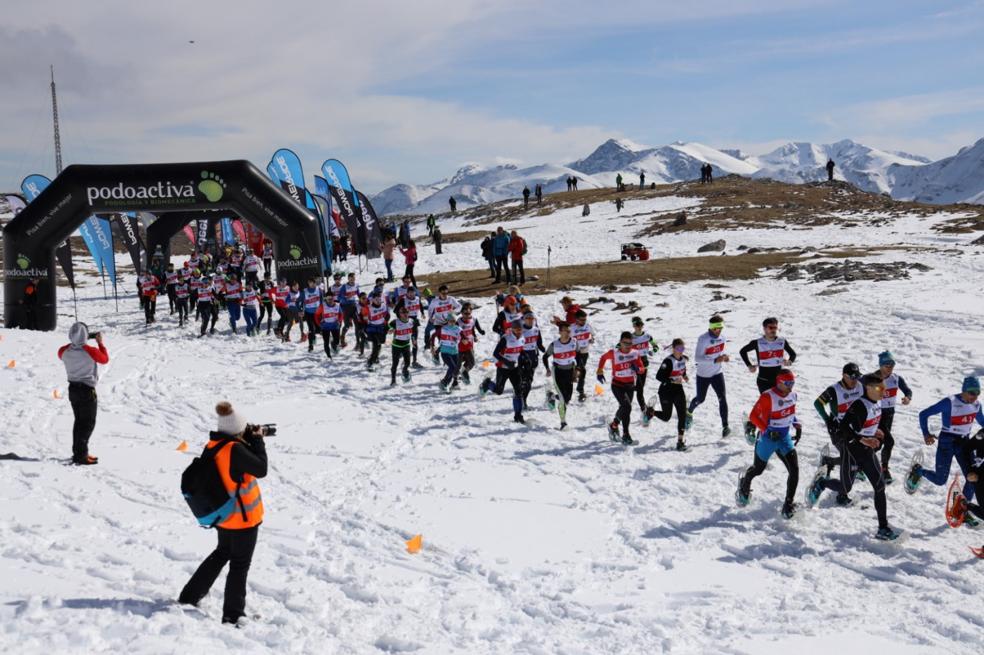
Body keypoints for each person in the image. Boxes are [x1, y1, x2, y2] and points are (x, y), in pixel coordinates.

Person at [179, 402, 266, 625]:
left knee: (222, 553)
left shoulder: (214, 444)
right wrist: (257, 441)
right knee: (239, 564)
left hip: (224, 516)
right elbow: (261, 469)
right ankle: (233, 614)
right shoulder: (235, 449)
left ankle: (190, 595)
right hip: (242, 519)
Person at [806, 374, 902, 540]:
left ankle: (883, 528)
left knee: (880, 487)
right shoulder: (859, 406)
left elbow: (871, 421)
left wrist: (876, 431)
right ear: (869, 388)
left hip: (867, 452)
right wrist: (863, 438)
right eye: (880, 388)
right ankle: (822, 482)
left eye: (884, 388)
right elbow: (843, 429)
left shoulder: (876, 402)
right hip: (851, 451)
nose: (883, 392)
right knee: (845, 488)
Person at [736, 369, 801, 519]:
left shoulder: (793, 395)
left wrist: (797, 425)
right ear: (779, 383)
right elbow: (753, 416)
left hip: (784, 438)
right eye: (788, 383)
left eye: (793, 382)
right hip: (767, 439)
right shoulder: (767, 397)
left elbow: (790, 412)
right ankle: (744, 483)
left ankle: (788, 504)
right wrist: (766, 430)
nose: (791, 386)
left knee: (795, 470)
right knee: (758, 469)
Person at [906, 377, 983, 500]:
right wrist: (926, 434)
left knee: (973, 477)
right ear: (964, 390)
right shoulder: (949, 402)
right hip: (947, 442)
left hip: (964, 443)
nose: (974, 397)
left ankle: (962, 507)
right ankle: (918, 471)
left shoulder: (977, 405)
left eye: (977, 393)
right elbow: (924, 414)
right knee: (940, 480)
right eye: (972, 393)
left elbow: (982, 422)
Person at [58, 322, 109, 465]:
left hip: (73, 390)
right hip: (87, 391)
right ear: (85, 335)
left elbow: (61, 352)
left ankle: (79, 452)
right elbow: (104, 359)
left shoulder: (64, 351)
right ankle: (81, 455)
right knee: (87, 424)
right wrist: (100, 343)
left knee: (79, 422)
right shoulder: (89, 350)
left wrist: (74, 343)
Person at [813, 362, 864, 503]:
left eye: (857, 377)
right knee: (851, 458)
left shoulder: (860, 386)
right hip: (838, 430)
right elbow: (817, 403)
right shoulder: (834, 390)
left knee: (852, 458)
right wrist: (828, 420)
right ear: (844, 376)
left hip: (855, 430)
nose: (855, 380)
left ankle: (828, 461)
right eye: (852, 377)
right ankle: (840, 493)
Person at [597, 332, 646, 445]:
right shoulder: (613, 353)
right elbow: (603, 358)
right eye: (625, 343)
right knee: (626, 406)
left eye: (630, 343)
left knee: (626, 409)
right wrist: (599, 371)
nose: (627, 345)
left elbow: (642, 368)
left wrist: (638, 369)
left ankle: (614, 425)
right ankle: (626, 435)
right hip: (617, 385)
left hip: (630, 385)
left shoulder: (635, 353)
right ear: (620, 342)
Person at [687, 315, 730, 436]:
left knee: (722, 398)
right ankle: (689, 412)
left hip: (717, 373)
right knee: (701, 399)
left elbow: (718, 353)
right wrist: (715, 361)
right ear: (710, 327)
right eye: (716, 327)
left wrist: (724, 357)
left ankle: (725, 426)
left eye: (720, 327)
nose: (719, 330)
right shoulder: (703, 339)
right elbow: (697, 358)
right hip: (703, 375)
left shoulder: (723, 338)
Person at [645, 338, 689, 451]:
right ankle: (651, 412)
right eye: (679, 348)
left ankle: (680, 441)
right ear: (673, 349)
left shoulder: (683, 359)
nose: (681, 351)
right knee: (666, 417)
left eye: (682, 348)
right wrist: (672, 381)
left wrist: (684, 376)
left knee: (682, 415)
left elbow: (682, 370)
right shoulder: (668, 361)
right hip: (666, 391)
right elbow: (659, 376)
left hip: (678, 390)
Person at [480, 320, 528, 424]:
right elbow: (495, 354)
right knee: (499, 391)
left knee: (518, 391)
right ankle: (487, 383)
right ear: (513, 329)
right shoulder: (506, 339)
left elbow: (520, 350)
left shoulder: (523, 338)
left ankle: (518, 415)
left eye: (521, 329)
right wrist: (507, 362)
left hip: (514, 368)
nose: (519, 331)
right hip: (502, 367)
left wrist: (525, 356)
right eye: (517, 329)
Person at [875, 351, 912, 483]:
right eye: (886, 364)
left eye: (892, 364)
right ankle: (883, 469)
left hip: (890, 414)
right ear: (880, 365)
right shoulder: (873, 379)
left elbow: (908, 390)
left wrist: (907, 398)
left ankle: (860, 465)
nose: (890, 367)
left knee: (879, 444)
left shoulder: (896, 378)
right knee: (889, 441)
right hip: (877, 416)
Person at [739, 317, 796, 393]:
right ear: (765, 329)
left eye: (775, 327)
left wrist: (789, 361)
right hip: (763, 381)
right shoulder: (757, 343)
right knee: (767, 404)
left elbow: (793, 354)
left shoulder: (782, 341)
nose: (773, 330)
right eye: (771, 327)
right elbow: (742, 351)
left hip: (779, 382)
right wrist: (749, 365)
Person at [543, 321, 578, 429]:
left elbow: (579, 355)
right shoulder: (554, 345)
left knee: (567, 399)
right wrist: (548, 369)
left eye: (569, 331)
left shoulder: (574, 342)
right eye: (565, 331)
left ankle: (551, 396)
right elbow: (545, 357)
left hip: (569, 371)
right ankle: (563, 422)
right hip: (557, 372)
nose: (567, 333)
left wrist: (578, 369)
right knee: (562, 399)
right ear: (560, 332)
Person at [629, 317, 657, 419]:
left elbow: (656, 346)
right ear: (633, 326)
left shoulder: (647, 336)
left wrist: (653, 351)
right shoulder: (630, 338)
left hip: (645, 364)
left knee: (640, 387)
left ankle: (628, 392)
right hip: (634, 365)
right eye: (637, 325)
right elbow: (619, 347)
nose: (639, 327)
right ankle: (644, 410)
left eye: (641, 325)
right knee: (640, 390)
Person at [519, 311, 545, 408]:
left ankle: (524, 399)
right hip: (521, 356)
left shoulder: (536, 330)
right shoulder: (520, 330)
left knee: (529, 381)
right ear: (524, 319)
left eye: (532, 318)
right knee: (522, 380)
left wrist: (547, 352)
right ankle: (520, 397)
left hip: (533, 356)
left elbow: (539, 344)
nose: (530, 320)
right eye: (528, 318)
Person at [388, 305, 418, 385]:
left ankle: (404, 370)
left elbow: (414, 332)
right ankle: (393, 380)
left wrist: (414, 340)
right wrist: (390, 330)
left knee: (408, 363)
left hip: (406, 344)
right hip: (396, 345)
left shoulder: (411, 321)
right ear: (399, 314)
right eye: (403, 312)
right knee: (395, 363)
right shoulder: (395, 322)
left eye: (406, 312)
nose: (405, 314)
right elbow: (387, 327)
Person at [571, 309, 595, 402]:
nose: (583, 321)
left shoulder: (588, 326)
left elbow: (592, 335)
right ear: (576, 319)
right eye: (581, 320)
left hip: (585, 351)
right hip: (575, 352)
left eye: (585, 319)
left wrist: (592, 339)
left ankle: (575, 380)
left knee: (581, 370)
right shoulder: (572, 328)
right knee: (582, 370)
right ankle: (581, 391)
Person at [456, 303, 484, 385]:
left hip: (469, 344)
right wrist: (461, 339)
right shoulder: (458, 321)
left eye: (469, 313)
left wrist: (479, 333)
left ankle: (464, 372)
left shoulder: (474, 319)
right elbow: (454, 332)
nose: (467, 315)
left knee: (471, 362)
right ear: (461, 313)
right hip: (460, 345)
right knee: (458, 363)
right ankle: (454, 380)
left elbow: (474, 329)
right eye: (465, 313)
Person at [365, 291, 389, 370]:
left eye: (379, 299)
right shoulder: (369, 308)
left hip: (381, 328)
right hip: (372, 329)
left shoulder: (383, 305)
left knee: (380, 344)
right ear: (372, 300)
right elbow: (362, 317)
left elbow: (387, 315)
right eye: (376, 299)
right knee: (376, 344)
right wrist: (362, 328)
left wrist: (386, 324)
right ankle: (370, 362)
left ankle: (375, 357)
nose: (378, 301)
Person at [314, 292, 342, 359]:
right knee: (326, 342)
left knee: (337, 341)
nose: (330, 300)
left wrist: (339, 321)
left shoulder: (337, 305)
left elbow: (341, 314)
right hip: (325, 327)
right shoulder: (322, 306)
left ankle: (333, 344)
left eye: (331, 298)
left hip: (335, 326)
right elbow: (316, 315)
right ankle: (329, 356)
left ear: (333, 298)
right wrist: (319, 324)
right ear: (326, 299)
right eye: (328, 299)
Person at [301, 278, 322, 353]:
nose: (311, 284)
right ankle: (310, 346)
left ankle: (314, 337)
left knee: (319, 330)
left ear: (315, 283)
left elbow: (322, 301)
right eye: (310, 283)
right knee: (311, 329)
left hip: (317, 313)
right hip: (308, 313)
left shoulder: (318, 290)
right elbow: (301, 302)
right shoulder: (305, 291)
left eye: (313, 283)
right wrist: (301, 310)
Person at [338, 273, 360, 348]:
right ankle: (342, 338)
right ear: (348, 279)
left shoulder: (356, 285)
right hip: (346, 307)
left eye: (353, 278)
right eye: (350, 278)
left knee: (357, 325)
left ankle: (358, 342)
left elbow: (358, 294)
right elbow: (339, 297)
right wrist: (346, 297)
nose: (352, 280)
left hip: (354, 306)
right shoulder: (344, 287)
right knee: (347, 325)